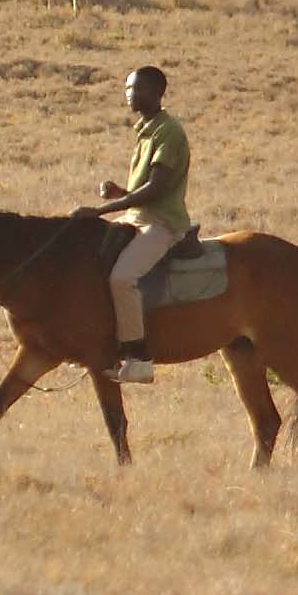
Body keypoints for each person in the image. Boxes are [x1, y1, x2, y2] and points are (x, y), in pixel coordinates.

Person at [102, 62, 191, 383]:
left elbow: (157, 188)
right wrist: (122, 193)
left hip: (162, 223)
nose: (131, 94)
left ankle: (139, 357)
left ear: (158, 93)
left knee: (122, 278)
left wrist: (105, 209)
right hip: (137, 217)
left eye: (138, 88)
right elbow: (145, 191)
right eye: (128, 88)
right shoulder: (146, 129)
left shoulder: (168, 132)